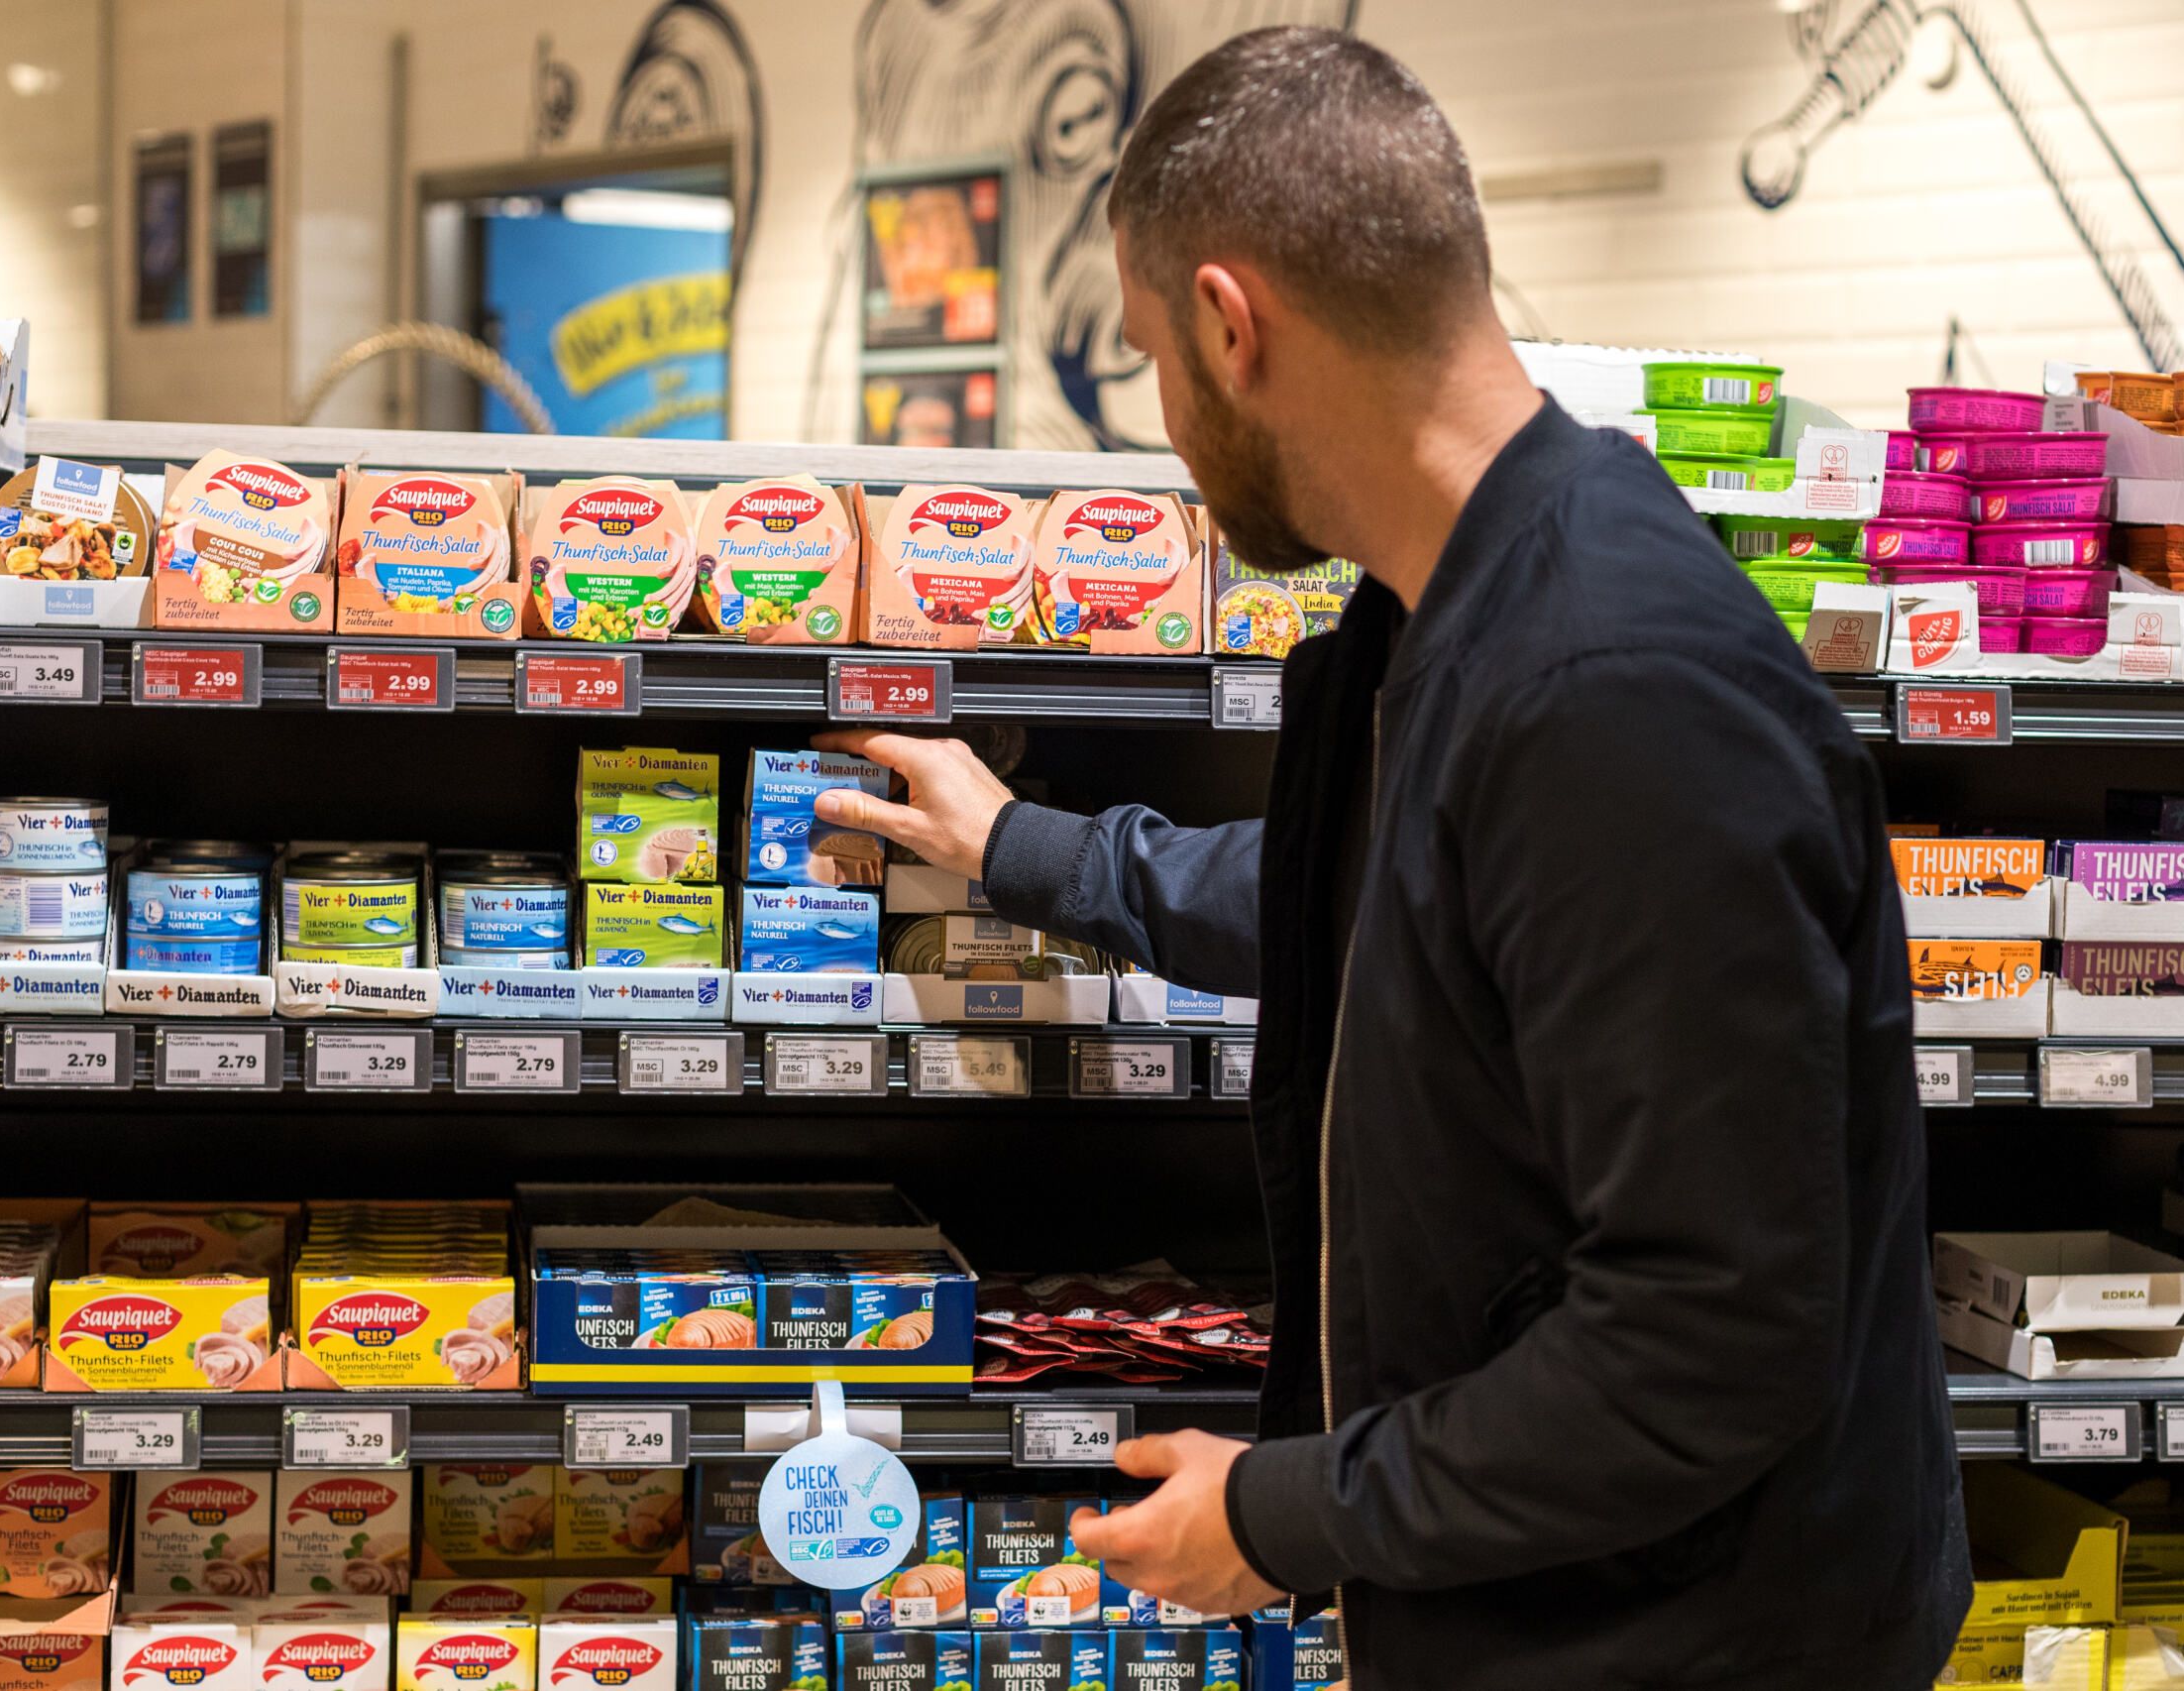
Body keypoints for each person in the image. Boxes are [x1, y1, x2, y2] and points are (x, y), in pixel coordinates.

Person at [815, 26, 1968, 1691]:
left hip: (1680, 1642)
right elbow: (1392, 914)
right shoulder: (1452, 608)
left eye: (1153, 355)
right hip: (1557, 1606)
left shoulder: (1618, 689)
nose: (1165, 419)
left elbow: (1706, 1343)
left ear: (1231, 322)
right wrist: (1025, 846)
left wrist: (1287, 1514)